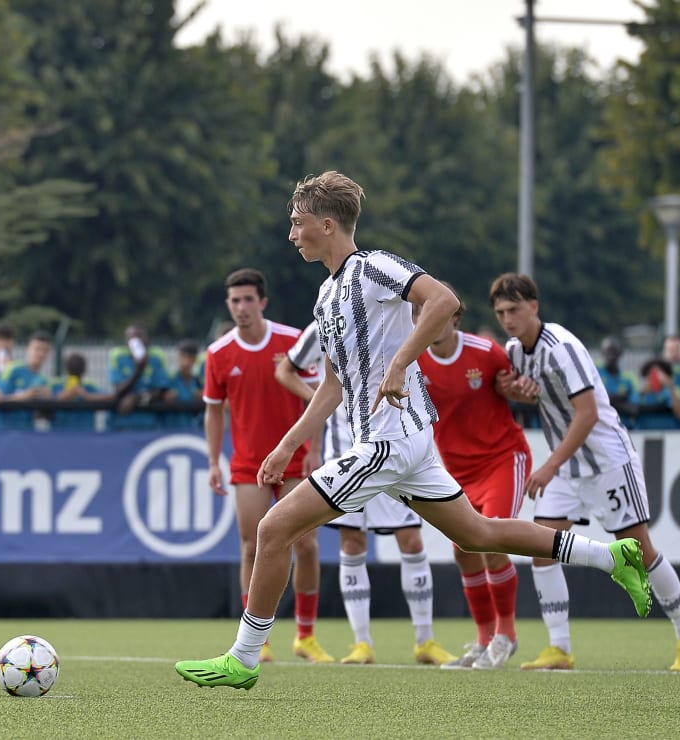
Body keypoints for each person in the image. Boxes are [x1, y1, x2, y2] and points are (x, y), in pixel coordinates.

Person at [174, 171, 652, 691]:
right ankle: (612, 556)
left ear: (327, 224)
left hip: (391, 440)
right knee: (479, 533)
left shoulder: (373, 266)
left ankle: (244, 657)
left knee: (273, 530)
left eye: (297, 222)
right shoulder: (327, 294)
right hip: (399, 442)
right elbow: (334, 384)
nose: (291, 234)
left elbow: (443, 299)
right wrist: (287, 444)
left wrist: (401, 362)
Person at [491, 272, 680, 672]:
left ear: (534, 306)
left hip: (606, 461)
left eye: (514, 309)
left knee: (639, 550)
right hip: (567, 466)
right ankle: (560, 647)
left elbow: (586, 414)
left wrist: (549, 465)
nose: (507, 319)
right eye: (500, 312)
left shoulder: (563, 347)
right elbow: (525, 393)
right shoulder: (515, 351)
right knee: (542, 547)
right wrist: (514, 393)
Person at [277, 319, 455, 667]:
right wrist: (320, 400)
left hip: (391, 443)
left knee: (412, 540)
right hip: (346, 448)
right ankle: (362, 643)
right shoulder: (326, 320)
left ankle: (425, 641)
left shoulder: (389, 319)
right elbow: (287, 370)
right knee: (352, 543)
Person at [203, 267, 332, 665]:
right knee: (250, 547)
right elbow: (213, 412)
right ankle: (257, 640)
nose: (241, 307)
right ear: (228, 304)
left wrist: (314, 448)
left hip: (295, 458)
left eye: (247, 300)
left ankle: (305, 636)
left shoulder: (292, 342)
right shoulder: (218, 353)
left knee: (307, 544)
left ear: (263, 302)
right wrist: (213, 461)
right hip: (247, 464)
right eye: (234, 301)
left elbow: (319, 396)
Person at [414, 294, 532, 670]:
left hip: (501, 459)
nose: (425, 319)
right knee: (463, 551)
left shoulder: (487, 352)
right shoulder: (412, 360)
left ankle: (506, 635)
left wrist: (517, 389)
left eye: (432, 311)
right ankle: (483, 641)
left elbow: (512, 387)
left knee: (492, 540)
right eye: (419, 312)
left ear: (454, 316)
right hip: (455, 470)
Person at [107, 323, 172, 430]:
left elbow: (161, 390)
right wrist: (139, 370)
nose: (136, 342)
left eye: (140, 337)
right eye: (132, 338)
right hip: (121, 425)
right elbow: (119, 390)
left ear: (148, 340)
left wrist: (137, 398)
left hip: (151, 424)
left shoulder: (157, 357)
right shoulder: (117, 356)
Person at [0, 331, 53, 430]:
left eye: (45, 350)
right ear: (27, 349)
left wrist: (48, 401)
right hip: (3, 432)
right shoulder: (13, 369)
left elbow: (42, 417)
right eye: (37, 349)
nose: (40, 354)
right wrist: (25, 396)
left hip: (27, 434)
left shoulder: (44, 381)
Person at [49, 353, 112, 431]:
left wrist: (87, 396)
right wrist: (64, 396)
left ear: (65, 369)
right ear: (85, 370)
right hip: (68, 434)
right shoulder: (56, 385)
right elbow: (46, 402)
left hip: (73, 435)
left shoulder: (89, 386)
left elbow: (110, 397)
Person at [597, 336, 640, 429]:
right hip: (600, 428)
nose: (610, 355)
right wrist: (621, 398)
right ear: (602, 352)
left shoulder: (629, 379)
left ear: (620, 353)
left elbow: (633, 409)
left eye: (614, 351)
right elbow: (593, 402)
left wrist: (608, 399)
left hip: (624, 428)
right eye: (607, 351)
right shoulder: (595, 374)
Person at [632, 358, 680, 431]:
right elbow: (632, 411)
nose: (654, 377)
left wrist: (671, 387)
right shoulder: (638, 394)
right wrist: (643, 393)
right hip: (643, 436)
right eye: (651, 373)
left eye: (658, 374)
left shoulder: (669, 393)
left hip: (668, 436)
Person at [163, 339, 205, 430]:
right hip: (169, 431)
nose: (185, 361)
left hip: (194, 431)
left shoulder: (199, 382)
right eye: (182, 356)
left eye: (190, 357)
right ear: (177, 357)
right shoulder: (168, 380)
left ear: (195, 359)